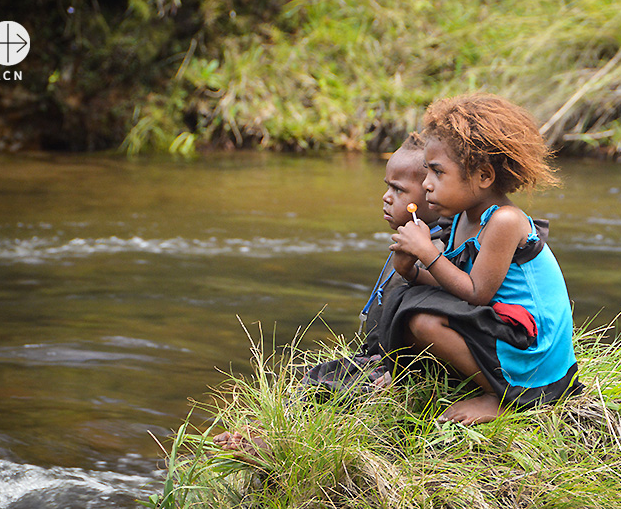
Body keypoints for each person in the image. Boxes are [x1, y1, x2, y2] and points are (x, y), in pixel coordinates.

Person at [213, 133, 448, 453]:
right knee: (317, 376)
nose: (386, 196)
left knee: (342, 391)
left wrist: (398, 372)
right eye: (386, 186)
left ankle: (273, 447)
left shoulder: (437, 250)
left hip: (399, 367)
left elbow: (436, 318)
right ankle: (263, 429)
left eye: (398, 189)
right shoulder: (414, 239)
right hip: (378, 355)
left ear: (433, 194)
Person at [384, 93, 581, 426]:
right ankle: (426, 375)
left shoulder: (504, 221)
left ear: (484, 177)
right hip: (500, 322)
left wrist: (428, 253)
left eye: (436, 172)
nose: (427, 186)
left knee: (424, 321)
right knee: (406, 302)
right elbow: (456, 278)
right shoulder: (463, 217)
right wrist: (412, 272)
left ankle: (505, 397)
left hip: (534, 351)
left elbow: (477, 292)